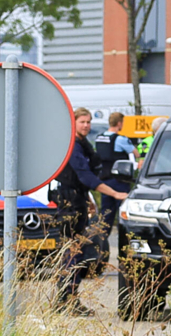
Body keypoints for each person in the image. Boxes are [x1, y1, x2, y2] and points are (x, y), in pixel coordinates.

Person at [52, 108, 129, 316]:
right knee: (72, 253)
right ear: (74, 124)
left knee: (75, 252)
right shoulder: (73, 147)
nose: (86, 125)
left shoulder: (82, 144)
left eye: (88, 122)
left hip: (77, 201)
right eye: (82, 122)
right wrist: (114, 193)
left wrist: (88, 200)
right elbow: (86, 177)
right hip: (69, 205)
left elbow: (85, 177)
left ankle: (65, 300)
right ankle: (67, 300)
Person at [94, 112, 139, 235]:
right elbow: (136, 153)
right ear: (119, 123)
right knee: (123, 214)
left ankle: (102, 245)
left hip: (104, 181)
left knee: (106, 215)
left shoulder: (99, 137)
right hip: (119, 182)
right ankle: (124, 244)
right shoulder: (120, 139)